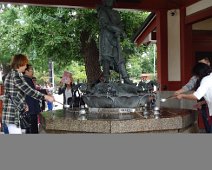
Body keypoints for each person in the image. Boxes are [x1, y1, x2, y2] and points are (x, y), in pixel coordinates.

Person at [2, 54, 55, 134]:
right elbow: (29, 91)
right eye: (25, 63)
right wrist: (46, 97)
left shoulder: (11, 75)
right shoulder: (16, 76)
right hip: (13, 116)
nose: (26, 66)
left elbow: (13, 94)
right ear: (21, 63)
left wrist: (23, 105)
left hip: (12, 115)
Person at [97, 0, 133, 85]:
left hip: (115, 38)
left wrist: (119, 31)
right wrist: (118, 30)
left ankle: (126, 77)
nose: (110, 2)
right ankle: (106, 78)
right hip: (106, 37)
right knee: (106, 57)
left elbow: (120, 24)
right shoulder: (102, 11)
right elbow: (105, 24)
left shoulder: (116, 13)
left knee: (119, 58)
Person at [174, 57, 211, 133]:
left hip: (208, 107)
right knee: (208, 127)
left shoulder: (206, 79)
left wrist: (182, 96)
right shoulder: (207, 76)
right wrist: (202, 102)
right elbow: (190, 85)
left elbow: (197, 95)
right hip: (205, 104)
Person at [23, 64, 41, 133]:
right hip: (30, 110)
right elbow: (33, 93)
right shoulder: (27, 79)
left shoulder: (26, 79)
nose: (32, 71)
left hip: (30, 110)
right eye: (31, 70)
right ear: (26, 71)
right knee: (32, 130)